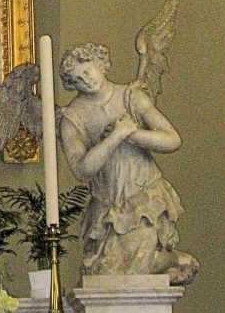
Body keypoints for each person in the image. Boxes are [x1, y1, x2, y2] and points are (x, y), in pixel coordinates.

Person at [58, 43, 198, 284]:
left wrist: (133, 134)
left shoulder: (131, 97)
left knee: (131, 271)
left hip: (142, 199)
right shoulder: (73, 117)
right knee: (103, 275)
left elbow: (172, 139)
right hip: (107, 206)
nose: (86, 80)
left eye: (87, 71)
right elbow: (82, 169)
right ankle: (172, 261)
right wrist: (116, 136)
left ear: (100, 64)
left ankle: (170, 260)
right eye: (78, 79)